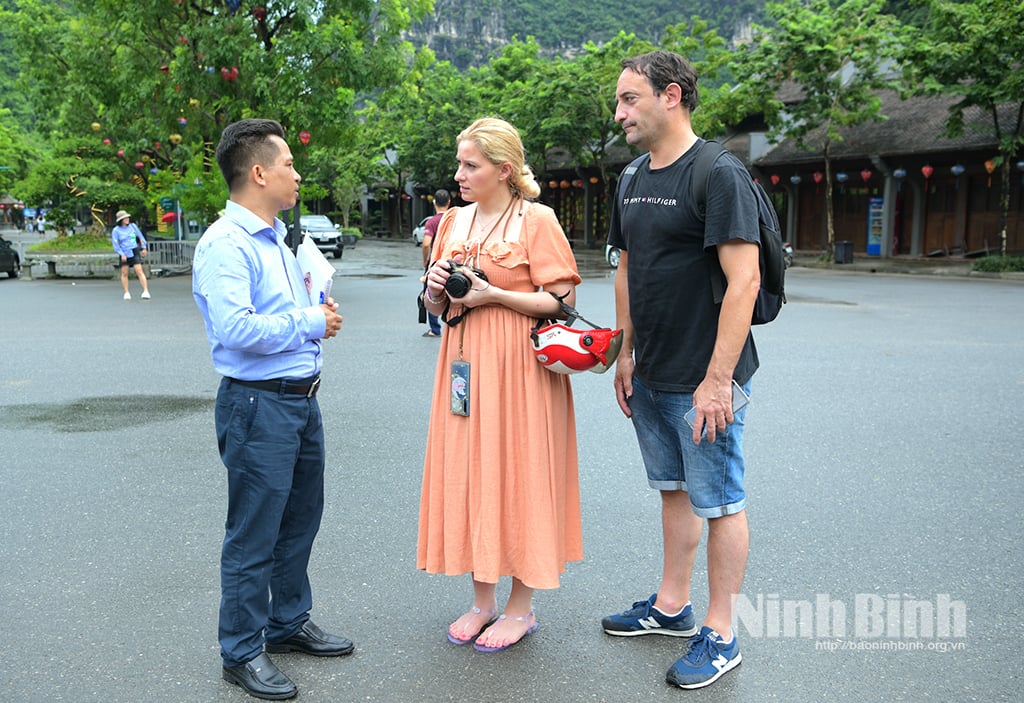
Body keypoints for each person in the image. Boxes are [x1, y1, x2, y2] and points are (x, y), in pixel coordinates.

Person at [602, 50, 761, 690]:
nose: (619, 114)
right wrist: (625, 350)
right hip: (653, 369)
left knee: (720, 501)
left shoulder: (717, 173)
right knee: (671, 489)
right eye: (617, 101)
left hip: (706, 378)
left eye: (629, 99)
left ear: (671, 96)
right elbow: (627, 267)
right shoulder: (633, 175)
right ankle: (672, 607)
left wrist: (719, 380)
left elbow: (744, 279)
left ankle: (721, 634)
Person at [192, 118, 348, 701]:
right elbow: (234, 330)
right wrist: (310, 322)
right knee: (254, 532)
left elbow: (283, 311)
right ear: (258, 173)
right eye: (287, 163)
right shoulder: (225, 244)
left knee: (300, 520)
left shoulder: (280, 238)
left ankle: (286, 623)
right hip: (258, 405)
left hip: (301, 401)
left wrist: (316, 308)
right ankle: (241, 650)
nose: (296, 172)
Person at [418, 117, 582, 653]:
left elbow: (562, 302)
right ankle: (481, 600)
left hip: (520, 370)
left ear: (503, 169)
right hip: (462, 364)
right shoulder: (452, 222)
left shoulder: (536, 219)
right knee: (471, 473)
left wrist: (494, 296)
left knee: (521, 472)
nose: (459, 175)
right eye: (460, 164)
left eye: (471, 165)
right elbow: (434, 304)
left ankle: (520, 606)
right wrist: (436, 289)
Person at [420, 189, 451, 337]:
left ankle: (435, 329)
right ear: (449, 203)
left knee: (432, 293)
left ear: (434, 203)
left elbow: (426, 244)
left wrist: (426, 260)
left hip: (436, 262)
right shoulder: (455, 220)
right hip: (453, 262)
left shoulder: (432, 222)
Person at [111, 210, 151, 300]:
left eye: (127, 218)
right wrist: (121, 254)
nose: (127, 219)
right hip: (124, 251)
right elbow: (115, 244)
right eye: (125, 218)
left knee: (139, 270)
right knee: (125, 272)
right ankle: (126, 292)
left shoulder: (133, 226)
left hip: (134, 249)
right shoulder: (116, 230)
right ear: (121, 220)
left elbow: (141, 237)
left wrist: (144, 247)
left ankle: (145, 290)